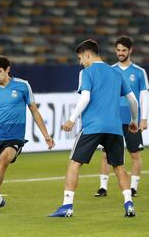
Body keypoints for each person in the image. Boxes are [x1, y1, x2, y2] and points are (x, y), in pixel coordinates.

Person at [49, 39, 139, 218]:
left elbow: (85, 98)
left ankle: (67, 206)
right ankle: (128, 203)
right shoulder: (116, 74)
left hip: (93, 127)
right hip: (114, 128)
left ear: (87, 55)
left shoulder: (87, 72)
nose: (81, 62)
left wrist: (72, 119)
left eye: (81, 58)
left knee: (74, 163)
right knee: (119, 167)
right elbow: (133, 100)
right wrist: (134, 120)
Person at [0, 55, 55, 213]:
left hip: (14, 136)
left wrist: (46, 135)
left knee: (3, 161)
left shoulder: (23, 86)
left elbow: (34, 111)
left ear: (8, 69)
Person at [94, 36, 149, 198]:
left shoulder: (139, 72)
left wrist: (144, 118)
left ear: (130, 51)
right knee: (106, 154)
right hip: (112, 119)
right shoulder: (110, 70)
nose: (120, 53)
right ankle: (103, 187)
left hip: (132, 120)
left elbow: (143, 96)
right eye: (118, 50)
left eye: (124, 50)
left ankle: (133, 187)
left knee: (135, 154)